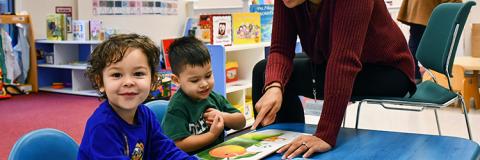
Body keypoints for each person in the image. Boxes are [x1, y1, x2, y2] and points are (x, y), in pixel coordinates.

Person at [251, 0, 417, 159]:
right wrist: (274, 86)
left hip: (387, 70)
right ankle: (281, 143)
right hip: (330, 57)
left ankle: (294, 151)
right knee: (264, 72)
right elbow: (280, 49)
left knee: (280, 76)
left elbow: (343, 61)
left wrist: (325, 134)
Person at [78, 34, 195, 160]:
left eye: (138, 73)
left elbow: (166, 151)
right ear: (100, 82)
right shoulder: (102, 127)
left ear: (153, 81)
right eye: (117, 75)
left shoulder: (146, 115)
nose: (128, 82)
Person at [161, 36, 246, 154]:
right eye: (195, 80)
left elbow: (241, 122)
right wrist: (212, 135)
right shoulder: (177, 107)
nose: (204, 84)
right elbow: (178, 145)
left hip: (219, 154)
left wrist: (223, 116)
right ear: (176, 80)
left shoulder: (213, 97)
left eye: (208, 75)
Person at [397, 0, 462, 83]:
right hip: (428, 7)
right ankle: (431, 75)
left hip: (420, 7)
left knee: (416, 41)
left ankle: (415, 74)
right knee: (433, 43)